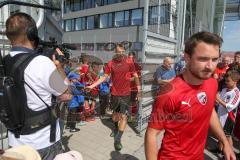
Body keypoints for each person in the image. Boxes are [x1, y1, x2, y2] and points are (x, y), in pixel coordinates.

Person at [144, 31, 236, 160]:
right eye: (203, 59)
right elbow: (152, 133)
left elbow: (209, 111)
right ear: (187, 58)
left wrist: (225, 142)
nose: (210, 66)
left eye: (214, 59)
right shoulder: (169, 93)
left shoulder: (212, 83)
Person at [5, 12, 72, 160]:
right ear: (32, 33)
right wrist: (59, 66)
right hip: (42, 144)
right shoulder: (42, 63)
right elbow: (66, 95)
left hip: (15, 144)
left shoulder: (4, 62)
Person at [86, 44, 140, 151]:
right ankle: (115, 127)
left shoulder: (129, 62)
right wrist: (92, 86)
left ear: (124, 51)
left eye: (122, 51)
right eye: (118, 51)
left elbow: (136, 76)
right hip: (115, 94)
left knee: (124, 117)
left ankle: (118, 139)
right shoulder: (110, 64)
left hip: (126, 95)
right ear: (115, 52)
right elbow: (104, 77)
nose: (120, 53)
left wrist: (139, 90)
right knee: (115, 116)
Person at [214, 70, 240, 155]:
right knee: (220, 134)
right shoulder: (225, 89)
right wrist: (216, 100)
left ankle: (229, 153)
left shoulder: (236, 92)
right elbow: (219, 101)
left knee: (227, 137)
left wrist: (219, 100)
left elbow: (230, 106)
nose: (226, 82)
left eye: (228, 81)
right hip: (220, 115)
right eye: (225, 80)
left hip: (229, 118)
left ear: (235, 81)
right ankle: (219, 149)